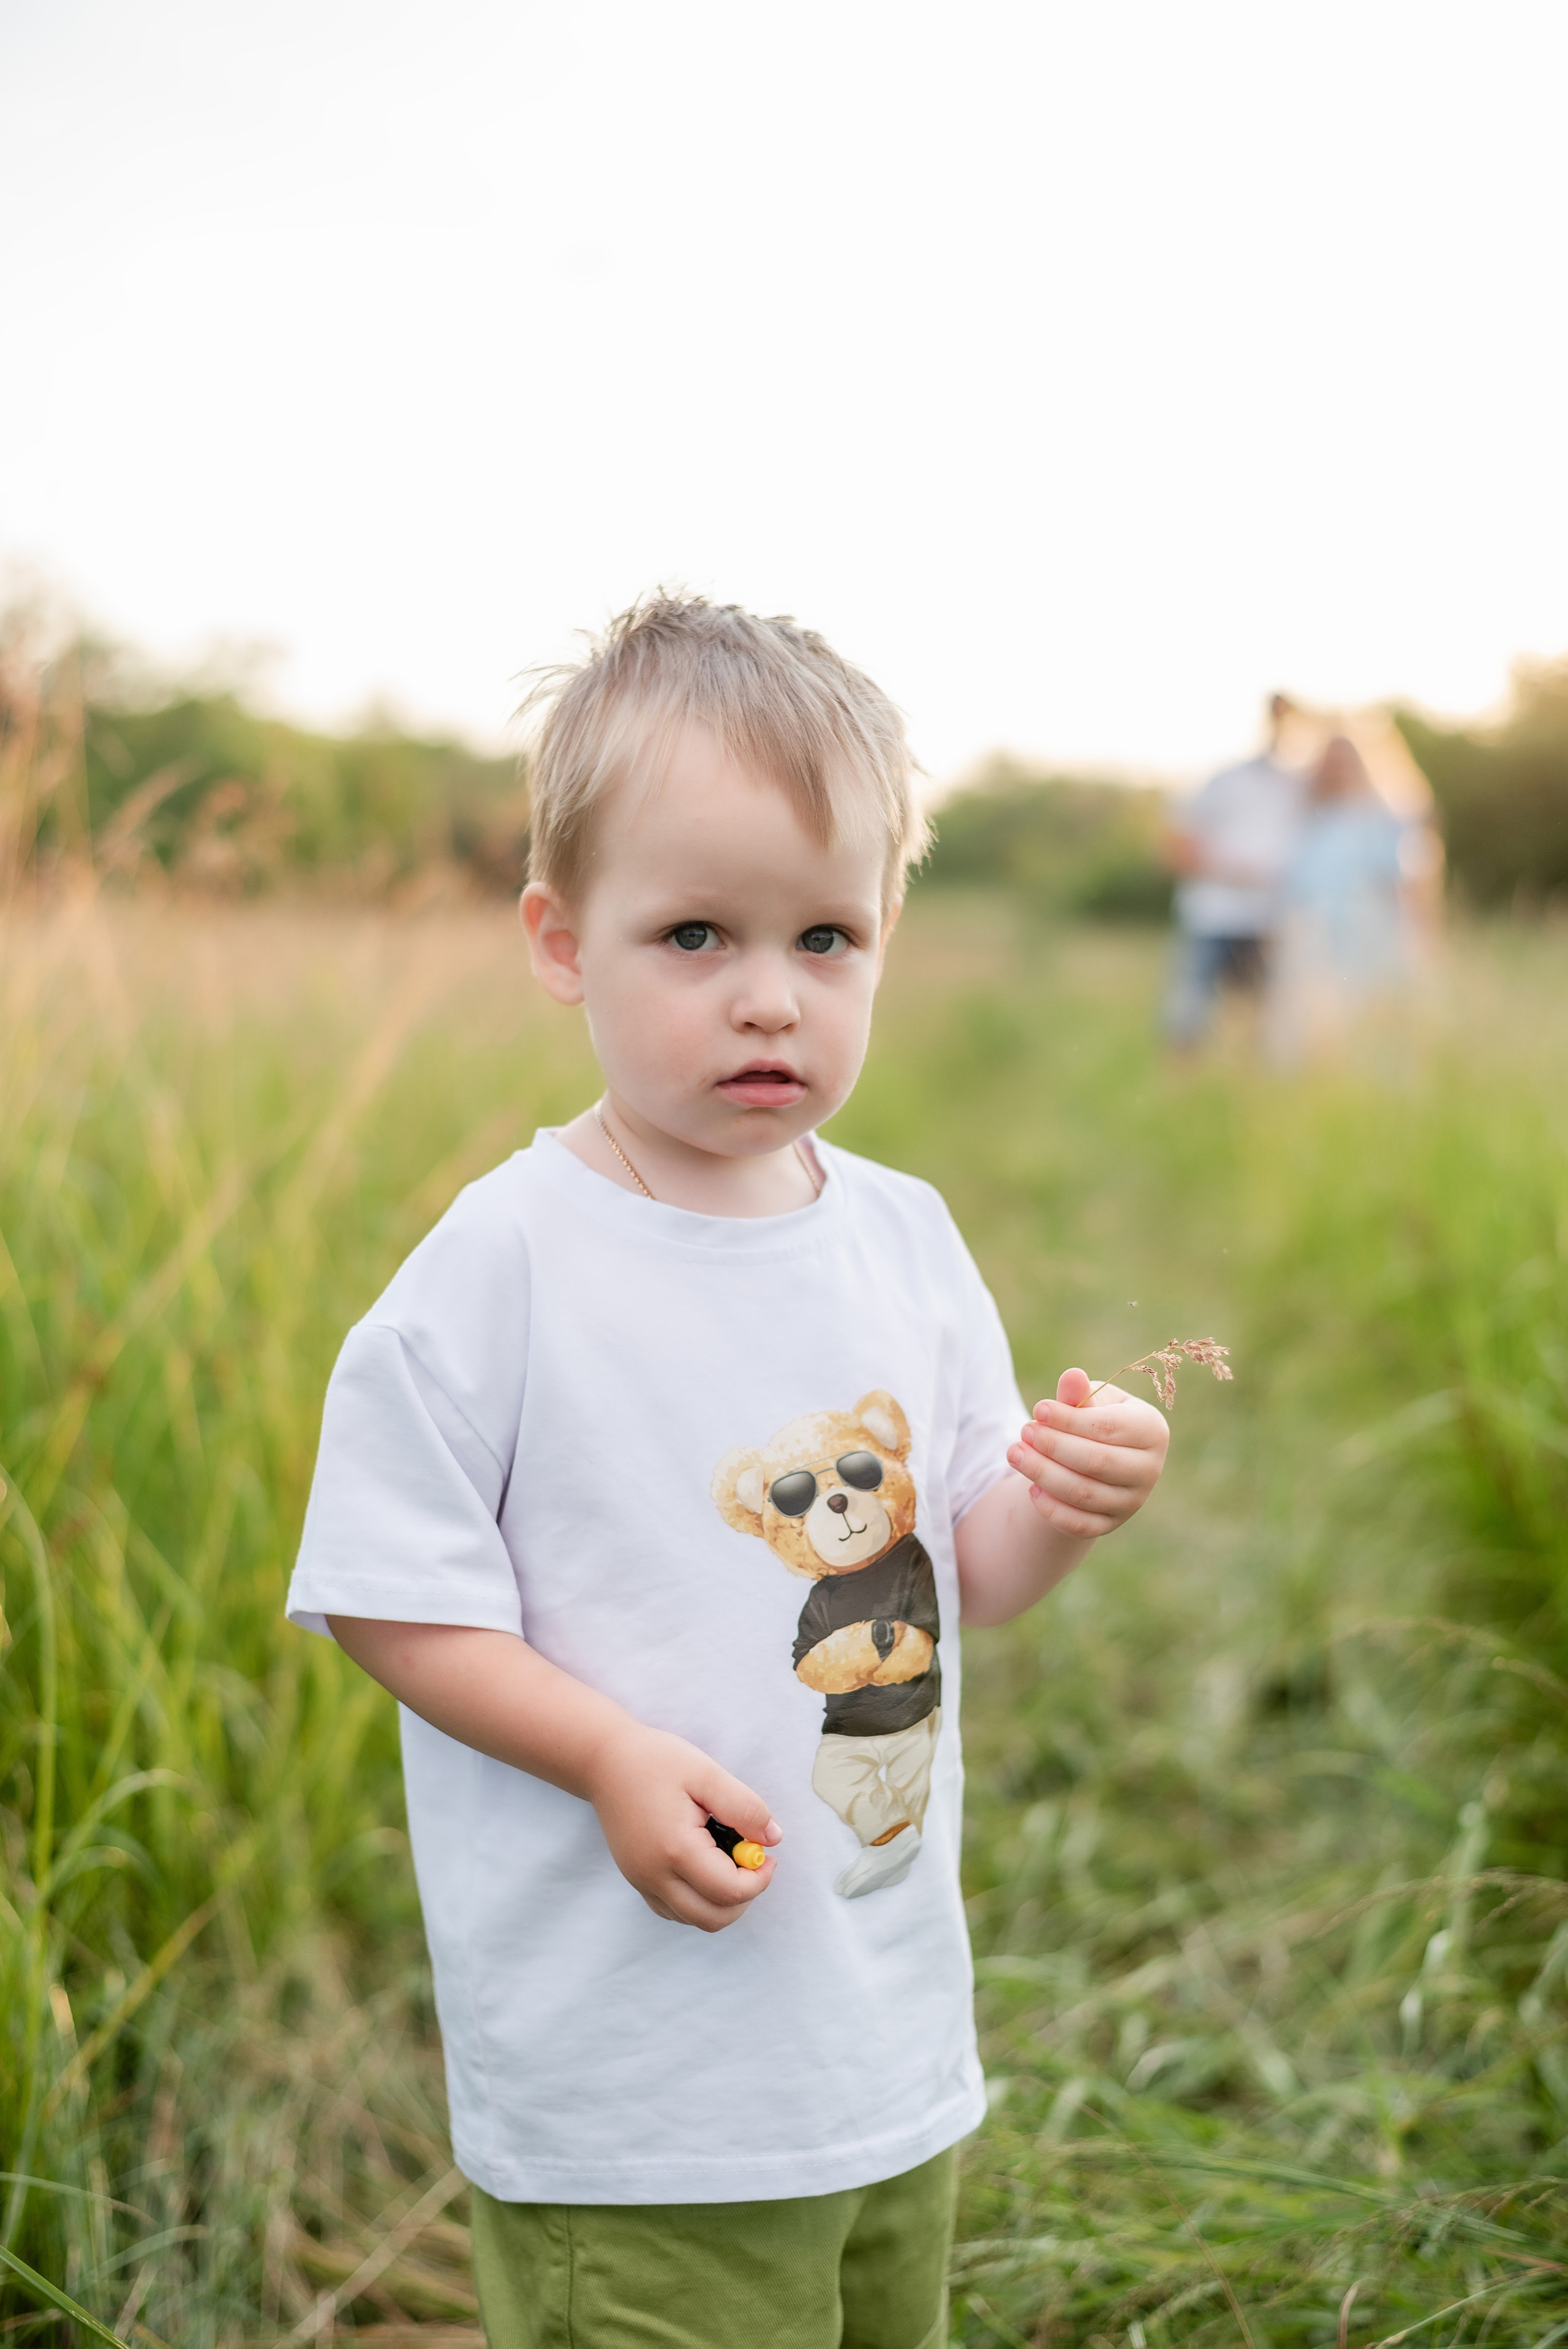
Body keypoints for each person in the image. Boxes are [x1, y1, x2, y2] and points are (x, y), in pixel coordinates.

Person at [285, 596, 1171, 2349]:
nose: (769, 996)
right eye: (693, 933)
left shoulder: (904, 1237)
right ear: (562, 941)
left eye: (826, 937)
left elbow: (963, 1568)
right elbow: (390, 1595)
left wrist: (1061, 1501)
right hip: (637, 2069)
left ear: (887, 935)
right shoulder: (507, 1261)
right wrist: (606, 1753)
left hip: (872, 2027)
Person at [1266, 732, 1439, 1065]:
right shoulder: (1305, 820)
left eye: (1342, 762)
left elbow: (1408, 881)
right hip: (1313, 936)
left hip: (1370, 934)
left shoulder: (1384, 818)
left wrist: (1422, 937)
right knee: (1306, 1024)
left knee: (1372, 1023)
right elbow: (1291, 886)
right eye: (1329, 763)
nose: (1335, 770)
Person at [1163, 692, 1307, 1049]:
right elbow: (1178, 843)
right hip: (1214, 914)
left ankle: (1247, 1078)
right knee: (1193, 1007)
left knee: (1263, 1016)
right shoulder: (1226, 780)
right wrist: (1233, 872)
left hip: (1272, 918)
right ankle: (1180, 1072)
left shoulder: (1301, 784)